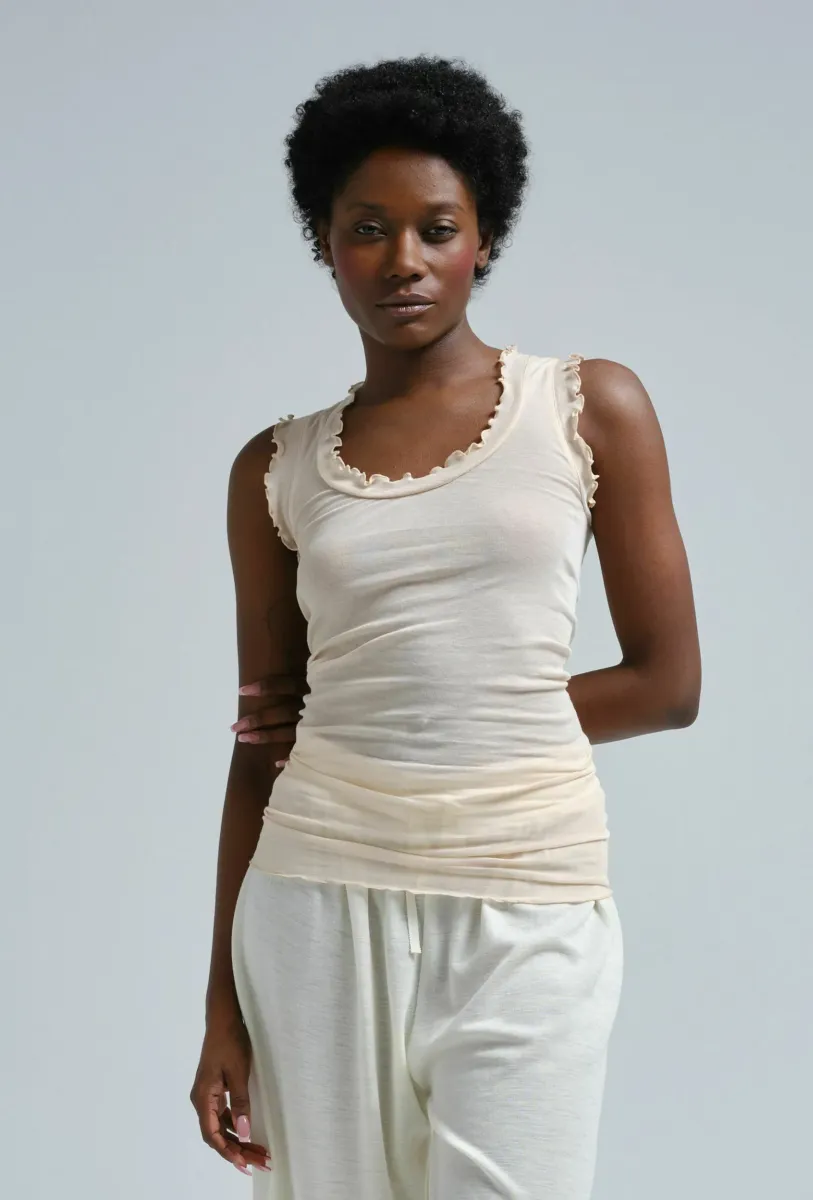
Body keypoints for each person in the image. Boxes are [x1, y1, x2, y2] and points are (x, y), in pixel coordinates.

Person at [190, 54, 700, 1199]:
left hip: (526, 885)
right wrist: (221, 1006)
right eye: (366, 230)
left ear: (484, 238)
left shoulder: (586, 408)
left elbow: (667, 683)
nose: (403, 261)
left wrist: (452, 719)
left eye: (436, 229)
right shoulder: (275, 467)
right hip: (314, 894)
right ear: (325, 242)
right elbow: (264, 743)